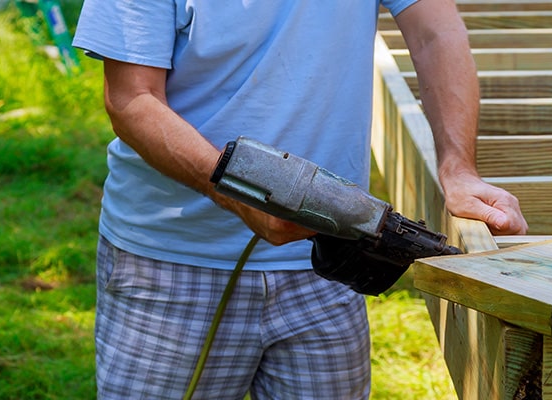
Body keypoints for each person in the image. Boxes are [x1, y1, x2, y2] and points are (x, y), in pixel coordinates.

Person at [72, 0, 528, 398]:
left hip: (327, 264)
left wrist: (458, 167)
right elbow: (132, 99)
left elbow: (436, 32)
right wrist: (236, 195)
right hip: (172, 268)